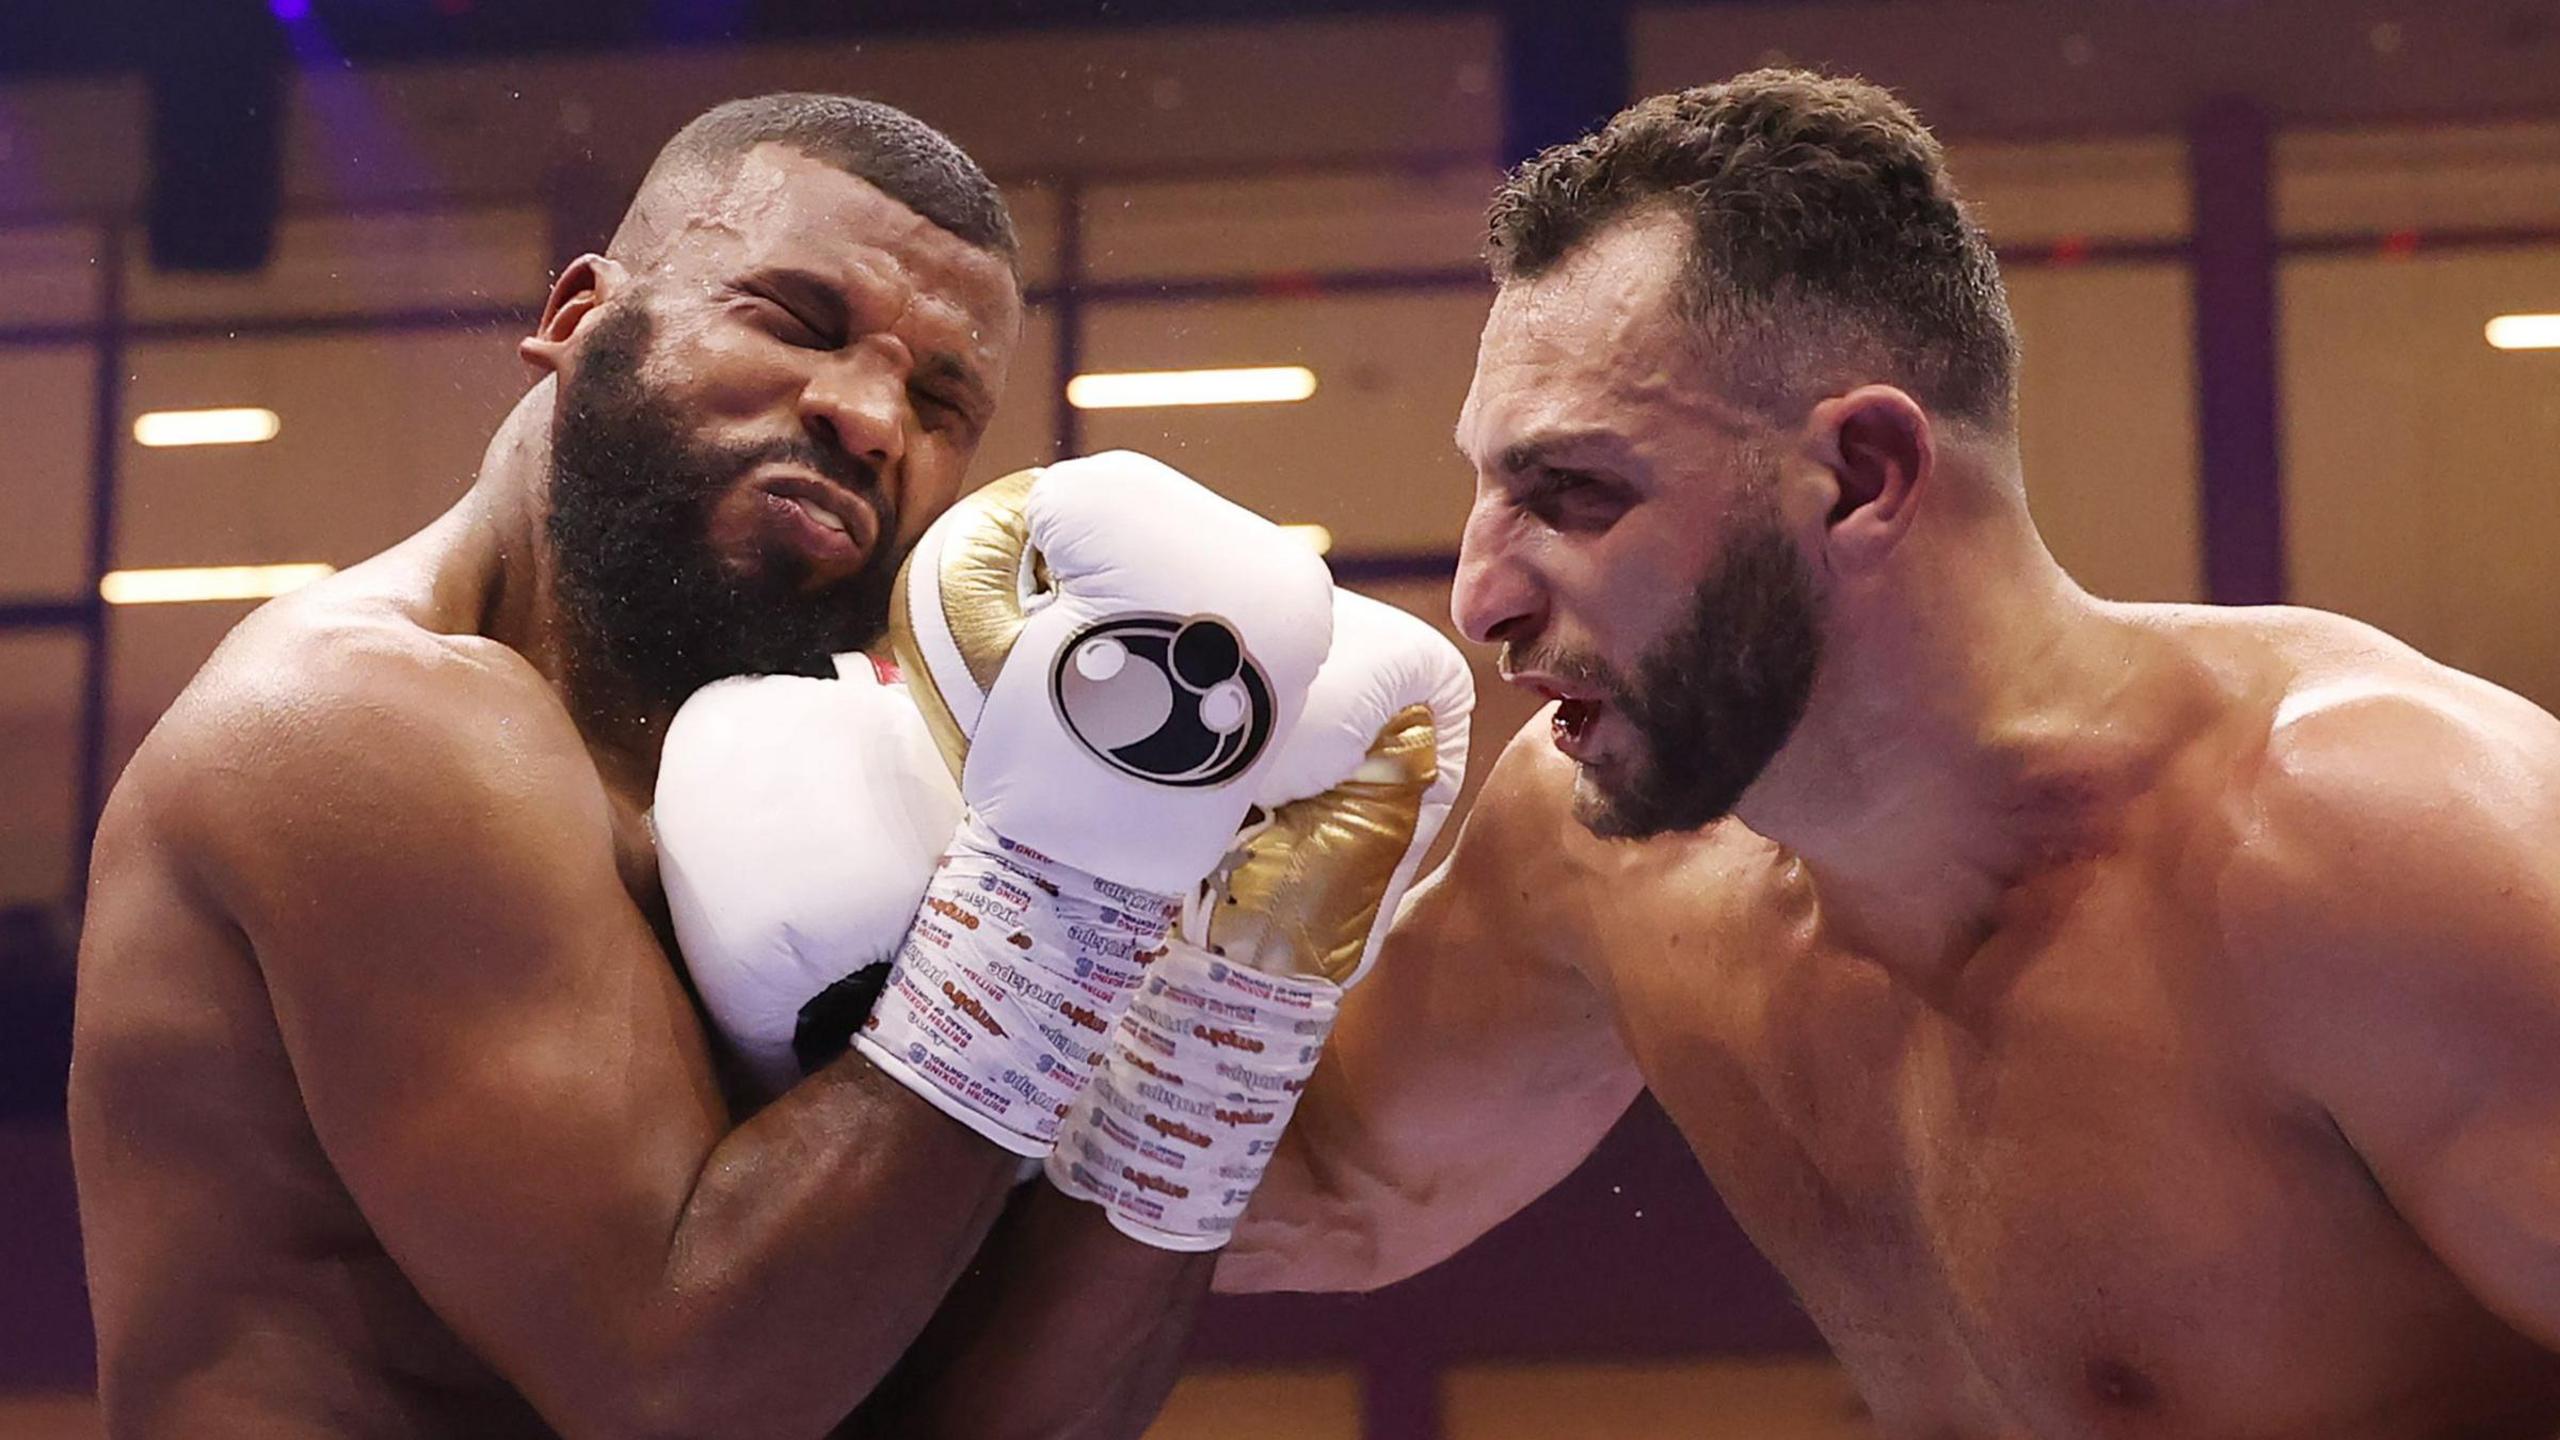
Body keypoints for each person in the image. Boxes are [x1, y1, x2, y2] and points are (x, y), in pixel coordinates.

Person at [67, 91, 1443, 1439]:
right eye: (797, 321)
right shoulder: (362, 720)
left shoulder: (826, 801)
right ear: (575, 318)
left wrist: (1235, 1004)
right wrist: (1066, 895)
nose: (870, 416)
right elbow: (684, 1390)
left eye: (943, 396)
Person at [1221, 70, 2560, 1436]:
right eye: (1487, 491)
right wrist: (1041, 929)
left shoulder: (2377, 850)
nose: (1480, 595)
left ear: (1861, 476)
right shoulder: (1593, 853)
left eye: (1571, 492)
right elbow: (1324, 1187)